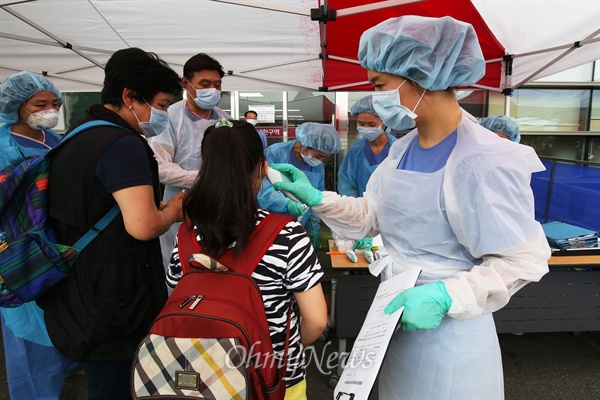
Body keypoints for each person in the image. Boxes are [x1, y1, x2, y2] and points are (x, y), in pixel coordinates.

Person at [271, 15, 551, 399]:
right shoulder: (402, 150)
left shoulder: (484, 160)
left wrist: (445, 295)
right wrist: (320, 200)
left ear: (422, 77)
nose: (372, 98)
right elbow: (372, 214)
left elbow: (521, 260)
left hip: (452, 338)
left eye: (379, 85)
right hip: (395, 320)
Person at [36, 48, 184, 400]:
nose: (162, 115)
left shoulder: (78, 135)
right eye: (161, 105)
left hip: (79, 286)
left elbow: (101, 206)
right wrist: (175, 210)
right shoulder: (122, 145)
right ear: (129, 96)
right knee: (115, 386)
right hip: (112, 300)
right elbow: (143, 225)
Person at [166, 119, 327, 400]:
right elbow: (316, 321)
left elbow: (177, 295)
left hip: (202, 375)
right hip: (274, 379)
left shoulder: (185, 234)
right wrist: (283, 348)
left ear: (203, 170)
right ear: (263, 171)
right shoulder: (288, 235)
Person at [0, 71, 82, 399]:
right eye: (40, 103)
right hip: (19, 248)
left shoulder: (55, 140)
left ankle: (62, 372)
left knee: (55, 317)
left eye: (54, 103)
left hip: (56, 241)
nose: (49, 109)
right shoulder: (4, 144)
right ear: (17, 105)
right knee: (26, 327)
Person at [147, 52, 231, 274]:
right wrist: (202, 178)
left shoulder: (225, 120)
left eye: (217, 84)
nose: (212, 90)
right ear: (186, 83)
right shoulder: (170, 117)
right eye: (204, 84)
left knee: (219, 264)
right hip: (181, 205)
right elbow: (159, 166)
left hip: (219, 204)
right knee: (180, 264)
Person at [258, 122, 341, 249]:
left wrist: (314, 228)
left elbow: (316, 198)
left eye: (324, 159)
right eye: (318, 156)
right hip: (269, 222)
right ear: (305, 145)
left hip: (298, 224)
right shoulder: (275, 153)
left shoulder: (317, 167)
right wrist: (285, 204)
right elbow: (261, 188)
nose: (320, 161)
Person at [338, 95, 397, 252]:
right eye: (361, 124)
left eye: (372, 124)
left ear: (384, 122)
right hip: (363, 214)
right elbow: (347, 186)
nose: (366, 128)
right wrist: (357, 217)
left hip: (394, 215)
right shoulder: (356, 152)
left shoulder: (398, 149)